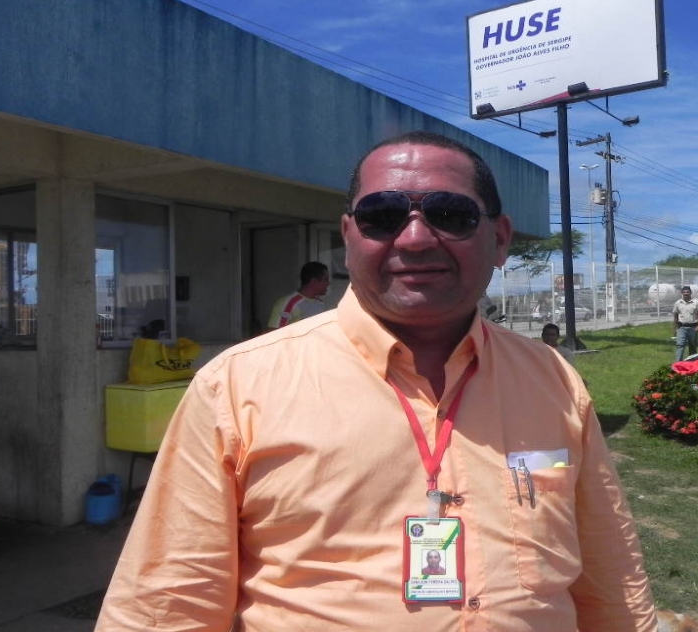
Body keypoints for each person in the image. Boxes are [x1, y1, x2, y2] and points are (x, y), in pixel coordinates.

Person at [96, 131, 656, 632]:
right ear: (349, 236)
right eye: (381, 216)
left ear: (500, 238)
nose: (414, 238)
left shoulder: (553, 380)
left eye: (450, 214)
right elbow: (167, 606)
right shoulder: (236, 388)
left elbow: (610, 580)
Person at [266, 261, 330, 330]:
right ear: (314, 281)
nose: (328, 283)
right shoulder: (286, 303)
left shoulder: (320, 303)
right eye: (326, 280)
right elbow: (274, 332)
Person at [672, 285, 698, 361]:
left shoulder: (696, 302)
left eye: (687, 292)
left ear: (690, 293)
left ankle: (692, 363)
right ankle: (678, 363)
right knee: (680, 345)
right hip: (681, 328)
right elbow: (675, 316)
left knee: (692, 347)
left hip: (693, 328)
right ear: (682, 293)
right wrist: (675, 329)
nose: (686, 293)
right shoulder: (678, 303)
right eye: (684, 292)